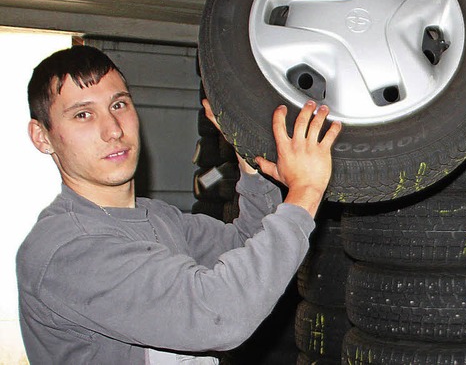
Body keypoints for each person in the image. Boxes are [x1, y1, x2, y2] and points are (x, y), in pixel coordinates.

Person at [16, 45, 342, 364]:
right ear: (42, 136)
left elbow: (246, 244)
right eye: (83, 115)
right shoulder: (67, 251)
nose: (112, 130)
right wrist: (307, 189)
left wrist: (248, 161)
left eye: (119, 105)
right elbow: (220, 315)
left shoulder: (156, 217)